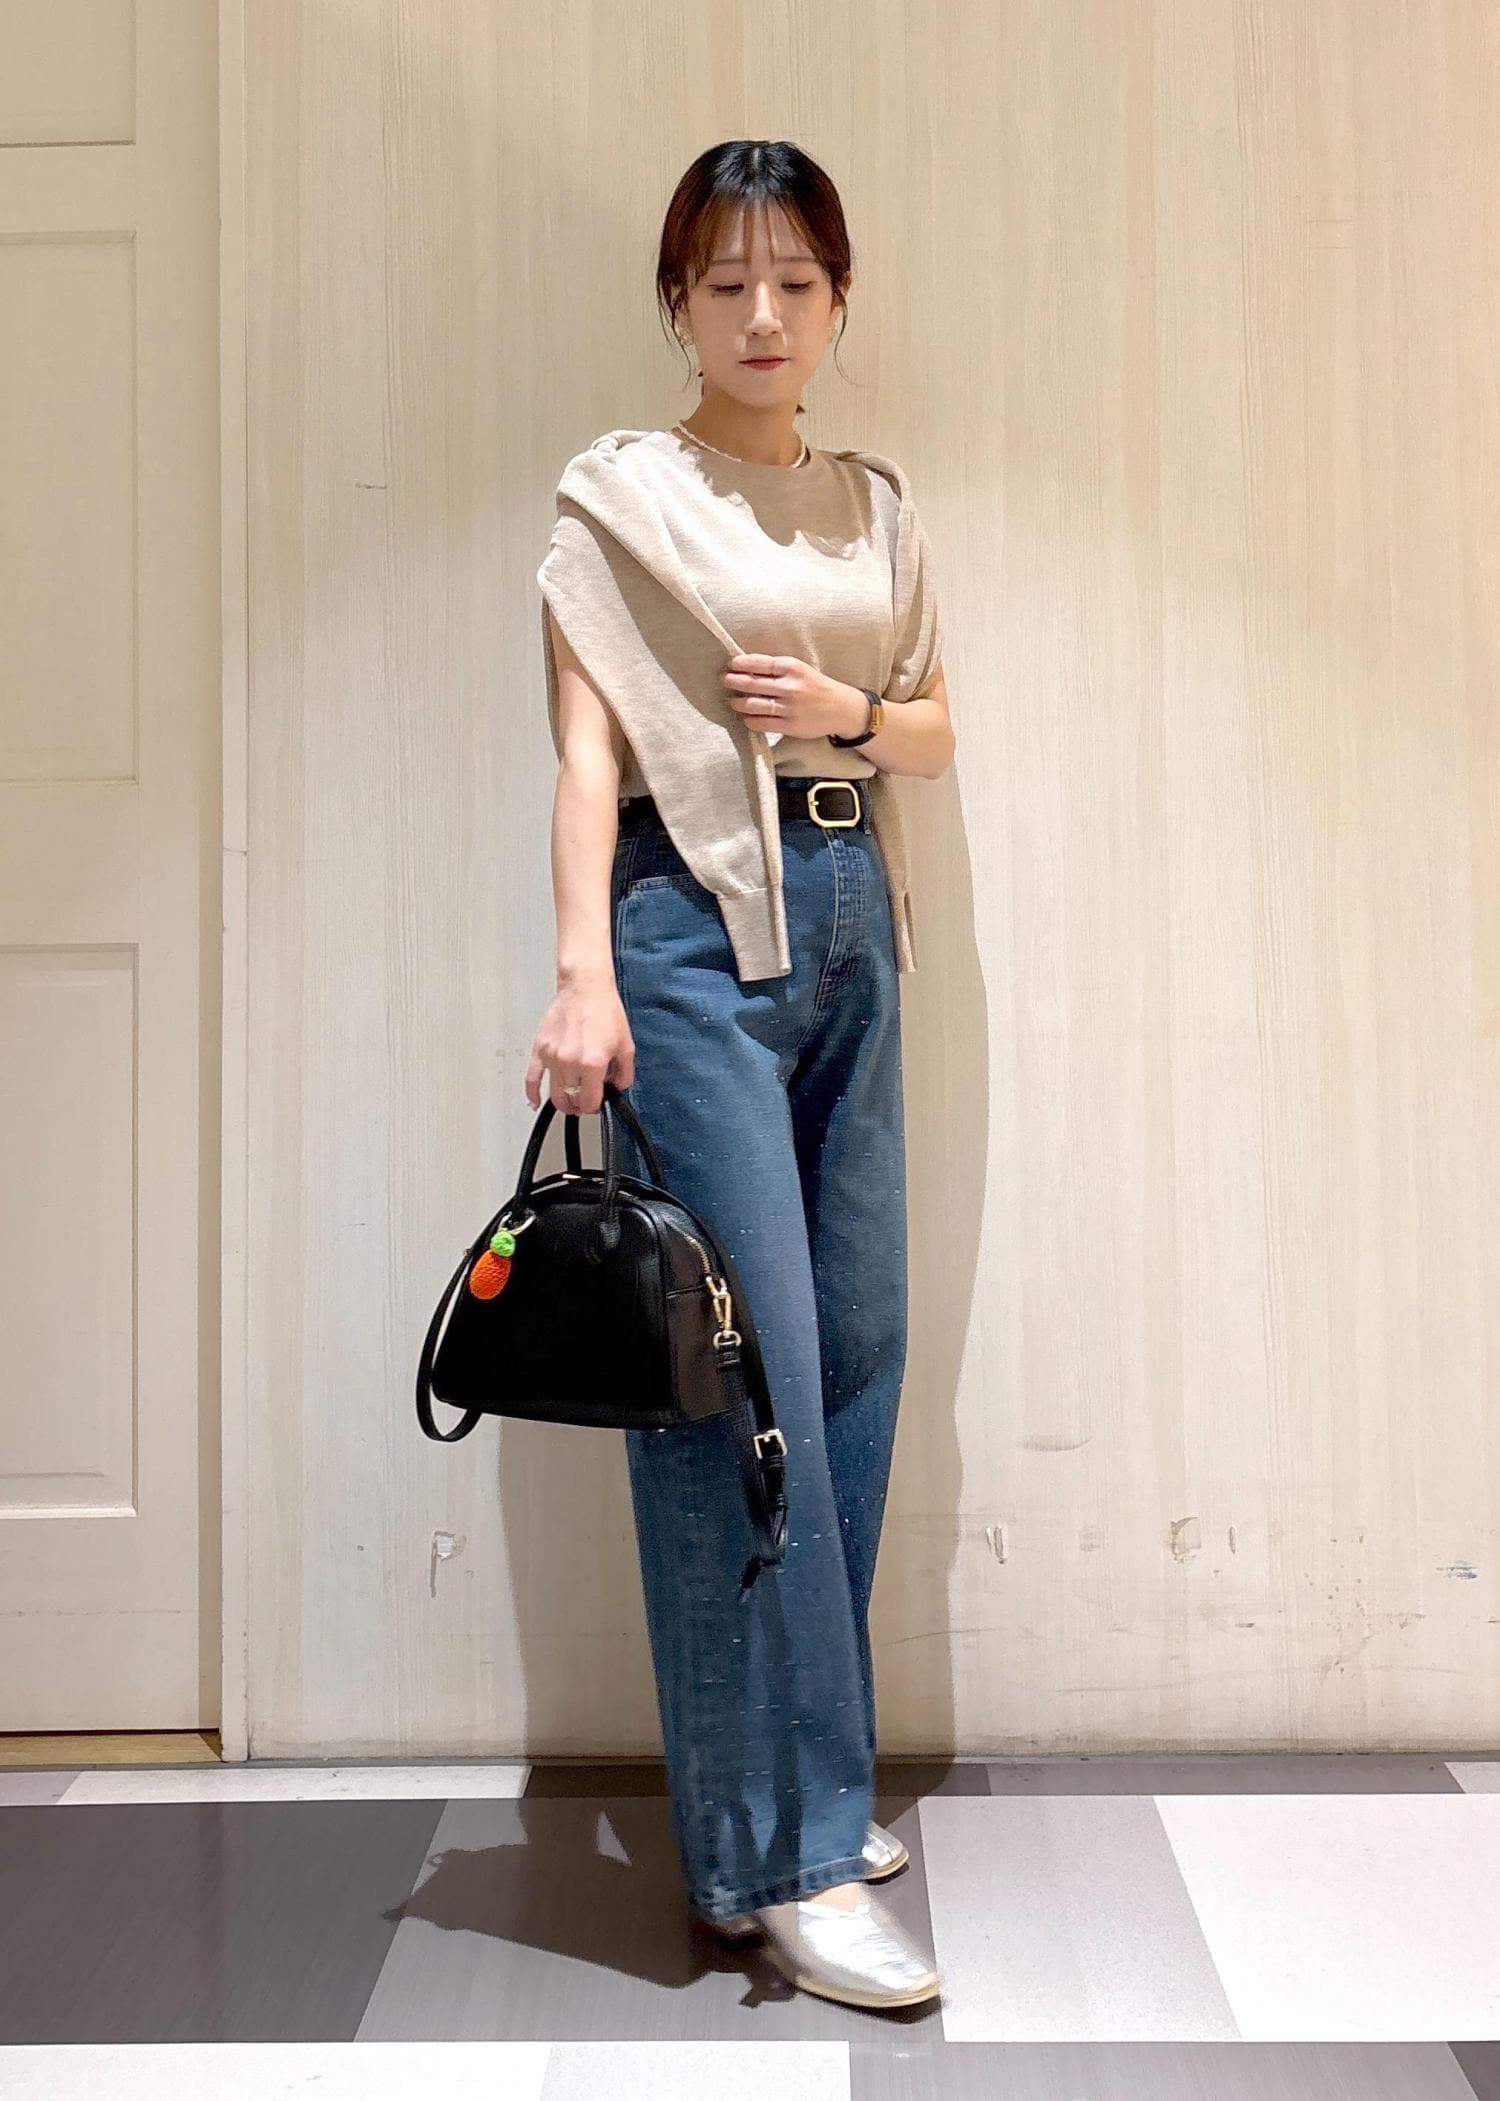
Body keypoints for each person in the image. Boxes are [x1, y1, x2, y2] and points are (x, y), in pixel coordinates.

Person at [527, 139, 955, 2012]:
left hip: (856, 921)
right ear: (678, 303)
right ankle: (788, 1853)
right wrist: (580, 974)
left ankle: (773, 1800)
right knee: (744, 1375)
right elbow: (585, 757)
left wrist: (847, 710)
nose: (763, 314)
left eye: (795, 281)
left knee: (854, 1357)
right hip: (692, 936)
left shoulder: (878, 507)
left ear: (839, 300)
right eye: (726, 283)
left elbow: (935, 728)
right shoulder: (622, 497)